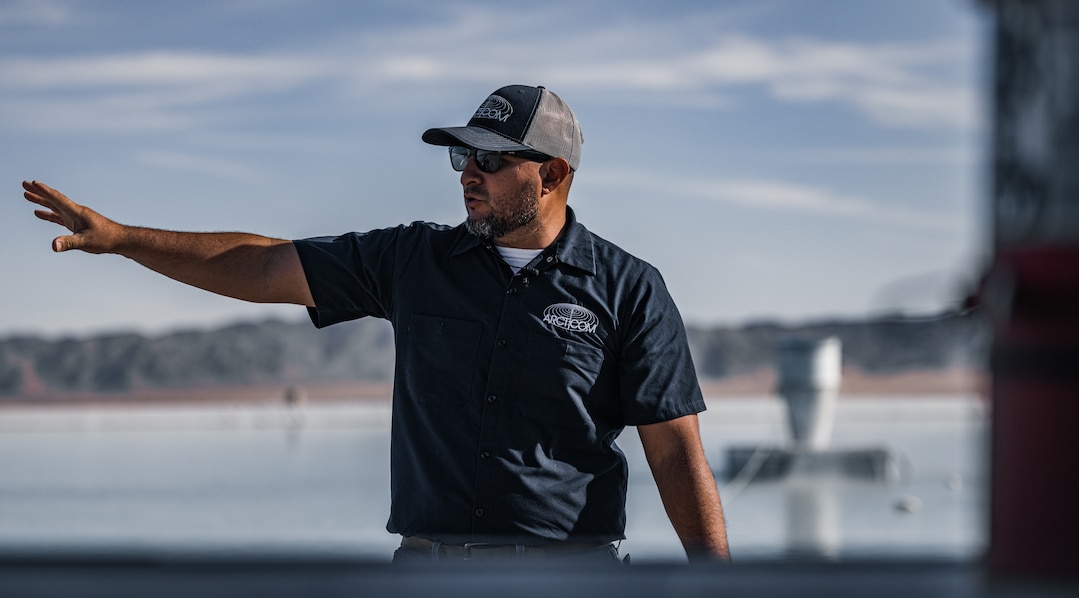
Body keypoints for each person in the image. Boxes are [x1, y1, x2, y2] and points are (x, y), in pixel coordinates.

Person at [22, 84, 730, 565]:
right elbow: (265, 265)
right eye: (461, 157)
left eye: (487, 158)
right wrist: (121, 238)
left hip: (570, 576)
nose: (465, 175)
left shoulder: (629, 289)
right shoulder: (414, 259)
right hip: (429, 573)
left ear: (550, 174)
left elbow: (675, 457)